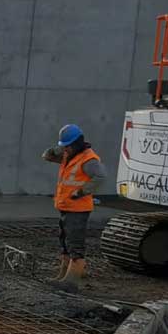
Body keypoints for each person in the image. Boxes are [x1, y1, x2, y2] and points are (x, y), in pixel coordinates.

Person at [42, 124, 107, 292]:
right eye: (65, 146)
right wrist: (56, 149)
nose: (67, 149)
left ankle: (71, 283)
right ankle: (62, 276)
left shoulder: (88, 159)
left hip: (78, 209)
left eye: (69, 145)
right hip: (66, 206)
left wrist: (81, 192)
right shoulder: (68, 155)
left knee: (75, 246)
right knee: (65, 243)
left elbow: (100, 177)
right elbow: (47, 156)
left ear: (77, 143)